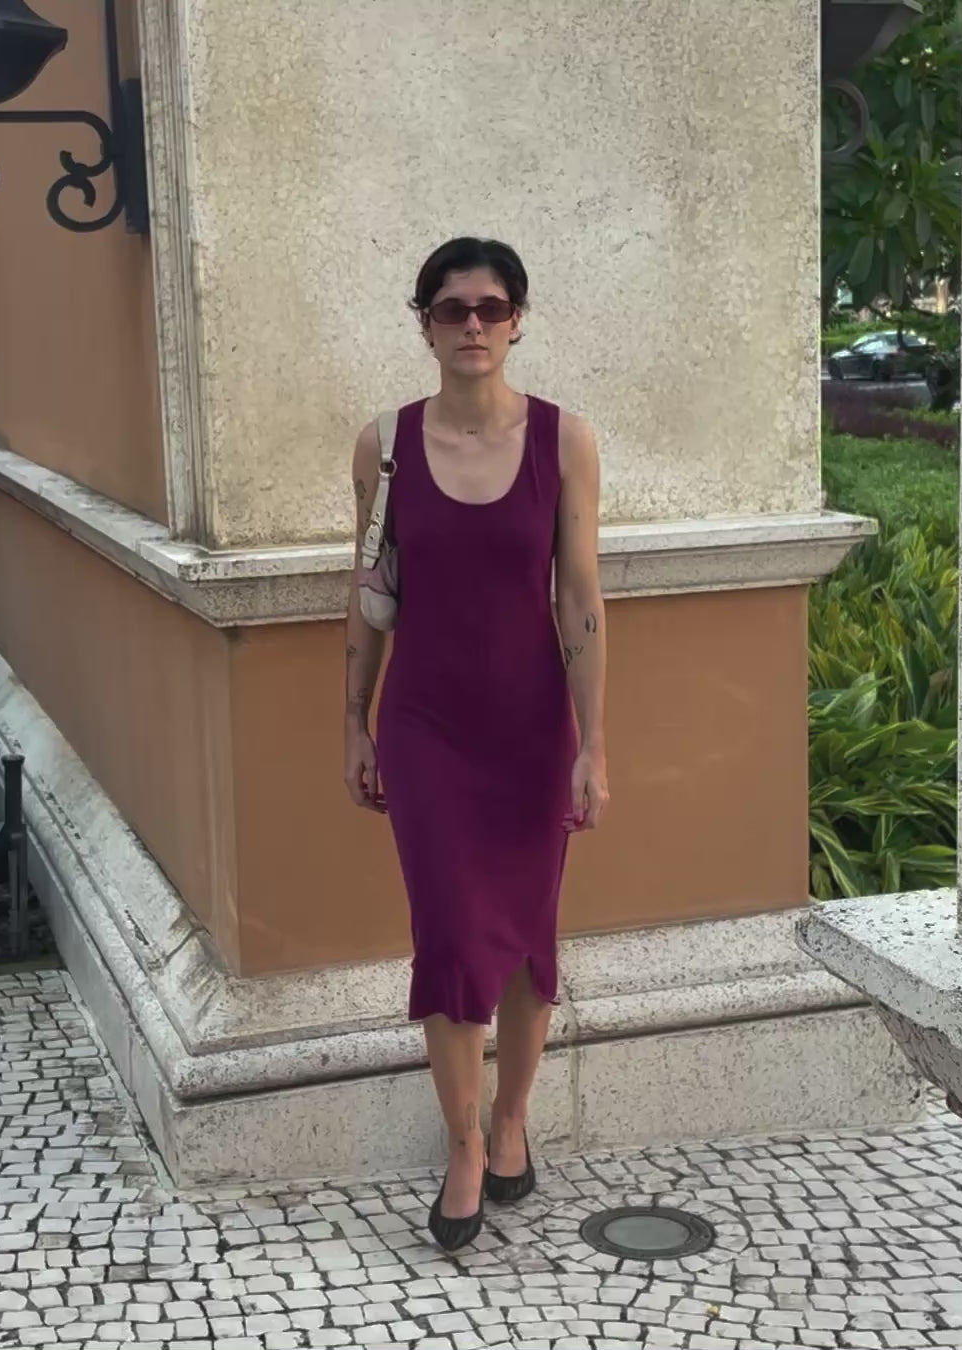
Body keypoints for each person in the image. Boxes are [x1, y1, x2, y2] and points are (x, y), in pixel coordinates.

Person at [343, 237, 608, 1251]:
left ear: (517, 320)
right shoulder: (386, 446)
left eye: (491, 308)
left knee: (529, 941)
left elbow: (580, 599)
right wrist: (353, 720)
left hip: (532, 729)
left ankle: (510, 1122)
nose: (472, 326)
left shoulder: (564, 441)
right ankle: (461, 1146)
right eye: (451, 309)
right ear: (424, 324)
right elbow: (371, 590)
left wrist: (593, 743)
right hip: (426, 731)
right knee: (451, 937)